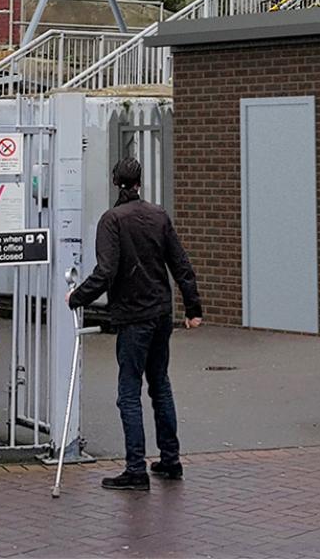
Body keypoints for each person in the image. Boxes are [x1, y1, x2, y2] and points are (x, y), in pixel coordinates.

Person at [67, 157, 203, 492]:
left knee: (129, 392)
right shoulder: (158, 215)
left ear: (116, 182)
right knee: (160, 386)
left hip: (133, 317)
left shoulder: (111, 220)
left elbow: (106, 271)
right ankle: (170, 460)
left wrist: (77, 297)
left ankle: (135, 469)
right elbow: (180, 263)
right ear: (139, 182)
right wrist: (192, 307)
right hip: (160, 313)